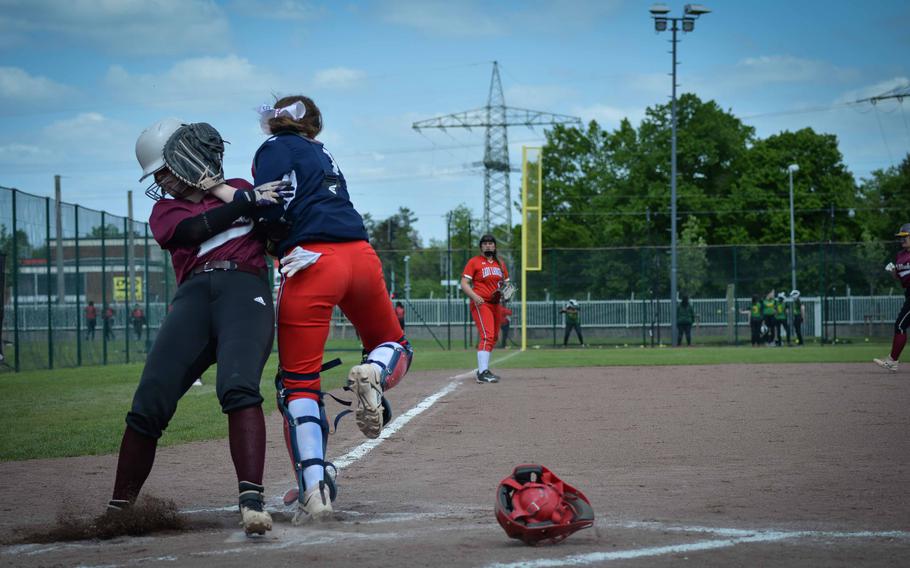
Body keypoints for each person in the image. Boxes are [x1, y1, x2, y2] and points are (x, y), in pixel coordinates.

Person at [106, 118, 289, 536]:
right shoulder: (167, 209)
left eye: (164, 169)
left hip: (245, 291)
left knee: (238, 386)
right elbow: (191, 231)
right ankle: (120, 508)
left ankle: (251, 502)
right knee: (149, 402)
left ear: (188, 156)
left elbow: (276, 223)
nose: (162, 181)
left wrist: (254, 203)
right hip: (193, 298)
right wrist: (245, 203)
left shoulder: (242, 183)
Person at [252, 96, 413, 524]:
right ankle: (376, 371)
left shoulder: (272, 149)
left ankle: (314, 490)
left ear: (276, 121)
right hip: (360, 254)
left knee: (299, 384)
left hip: (311, 260)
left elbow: (268, 202)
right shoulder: (324, 152)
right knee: (392, 343)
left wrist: (272, 239)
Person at [461, 234, 511, 383]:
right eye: (485, 243)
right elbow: (464, 283)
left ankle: (484, 370)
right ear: (481, 247)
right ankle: (482, 373)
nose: (488, 245)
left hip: (496, 304)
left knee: (494, 337)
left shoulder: (500, 264)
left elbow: (507, 285)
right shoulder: (474, 262)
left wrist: (505, 294)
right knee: (487, 335)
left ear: (495, 246)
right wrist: (475, 296)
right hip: (481, 302)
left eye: (491, 243)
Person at [874, 223, 910, 372]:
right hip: (908, 292)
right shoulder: (900, 255)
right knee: (900, 326)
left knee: (900, 326)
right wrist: (893, 272)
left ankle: (892, 361)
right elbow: (900, 279)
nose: (901, 240)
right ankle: (892, 361)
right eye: (900, 238)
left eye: (905, 237)